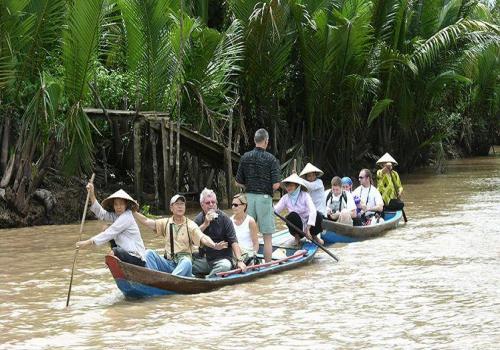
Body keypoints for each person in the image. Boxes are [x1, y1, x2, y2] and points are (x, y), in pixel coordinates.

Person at [133, 194, 227, 277]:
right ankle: (153, 279)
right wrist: (133, 212)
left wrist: (214, 245)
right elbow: (146, 221)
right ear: (171, 208)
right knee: (149, 253)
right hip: (169, 263)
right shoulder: (165, 223)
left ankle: (169, 281)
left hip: (183, 265)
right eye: (177, 204)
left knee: (187, 262)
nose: (180, 207)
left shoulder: (190, 224)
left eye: (182, 204)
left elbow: (203, 237)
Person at [235, 128, 281, 263]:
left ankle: (245, 262)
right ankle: (267, 266)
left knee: (248, 233)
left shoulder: (245, 157)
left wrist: (248, 187)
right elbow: (276, 185)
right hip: (265, 199)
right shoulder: (271, 159)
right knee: (267, 236)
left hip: (248, 199)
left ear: (255, 141)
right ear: (266, 141)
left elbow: (238, 181)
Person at [76, 184, 146, 267]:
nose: (118, 207)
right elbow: (101, 213)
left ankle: (114, 256)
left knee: (115, 249)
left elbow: (111, 232)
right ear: (113, 206)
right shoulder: (116, 216)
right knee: (106, 229)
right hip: (127, 254)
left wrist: (88, 242)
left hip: (137, 257)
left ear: (126, 205)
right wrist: (92, 194)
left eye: (121, 204)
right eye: (116, 204)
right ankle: (115, 258)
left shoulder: (127, 216)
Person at [193, 188, 247, 278]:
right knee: (187, 264)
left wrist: (239, 260)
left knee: (225, 266)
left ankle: (207, 280)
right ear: (202, 205)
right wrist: (205, 224)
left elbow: (234, 241)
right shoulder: (199, 219)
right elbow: (192, 240)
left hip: (222, 260)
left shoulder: (225, 219)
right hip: (205, 260)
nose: (211, 205)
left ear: (216, 203)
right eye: (208, 203)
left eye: (213, 202)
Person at [274, 173, 324, 247]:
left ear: (297, 186)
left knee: (318, 215)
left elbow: (313, 210)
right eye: (287, 186)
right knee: (291, 216)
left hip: (309, 224)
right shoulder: (285, 198)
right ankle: (297, 237)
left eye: (291, 185)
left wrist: (308, 228)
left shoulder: (305, 195)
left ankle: (314, 236)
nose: (288, 188)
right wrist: (269, 207)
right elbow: (276, 210)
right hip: (297, 227)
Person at [230, 193, 259, 265]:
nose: (233, 207)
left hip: (247, 253)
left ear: (244, 206)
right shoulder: (229, 221)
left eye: (236, 205)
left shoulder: (250, 221)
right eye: (232, 205)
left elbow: (255, 243)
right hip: (234, 252)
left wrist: (254, 255)